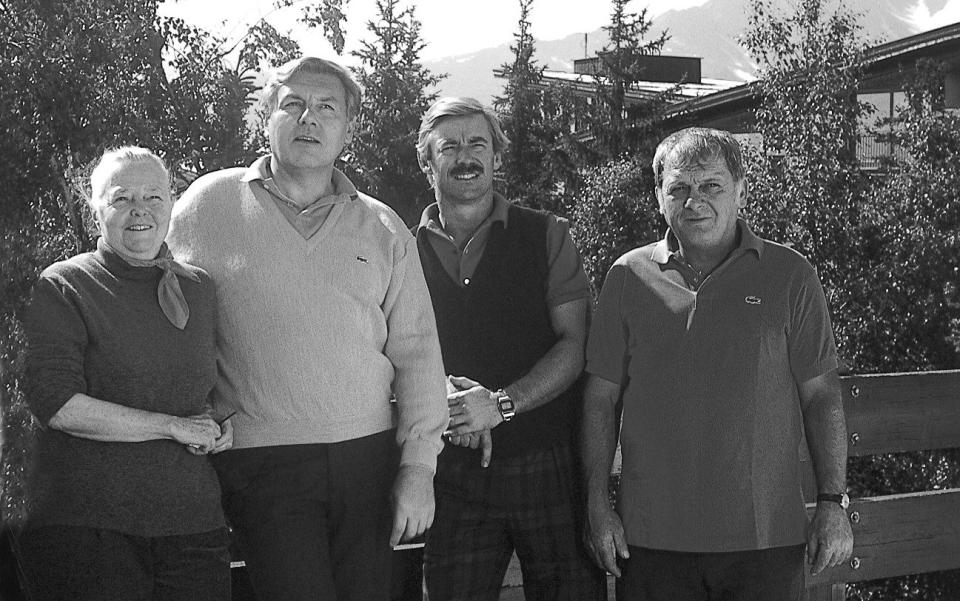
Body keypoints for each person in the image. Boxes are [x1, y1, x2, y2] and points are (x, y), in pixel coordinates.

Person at [166, 56, 448, 601]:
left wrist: (418, 467)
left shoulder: (383, 225)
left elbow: (417, 354)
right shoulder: (205, 206)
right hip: (258, 461)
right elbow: (165, 315)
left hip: (368, 460)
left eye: (326, 108)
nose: (308, 119)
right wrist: (187, 410)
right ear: (267, 116)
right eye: (292, 104)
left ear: (346, 129)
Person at [581, 127, 854, 600]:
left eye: (711, 186)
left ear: (741, 191)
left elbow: (822, 396)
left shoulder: (791, 275)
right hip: (649, 539)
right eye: (679, 188)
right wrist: (596, 504)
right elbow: (600, 400)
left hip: (765, 538)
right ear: (658, 196)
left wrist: (833, 502)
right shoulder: (627, 277)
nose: (694, 201)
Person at [19, 146, 233, 601]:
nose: (140, 210)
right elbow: (57, 406)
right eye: (122, 198)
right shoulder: (62, 286)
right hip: (89, 528)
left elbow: (201, 392)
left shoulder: (199, 288)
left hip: (192, 524)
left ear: (172, 202)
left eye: (153, 197)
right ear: (95, 209)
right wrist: (170, 427)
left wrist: (219, 425)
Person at [415, 97, 607, 601]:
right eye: (449, 146)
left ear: (497, 156)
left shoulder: (547, 235)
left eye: (478, 143)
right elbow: (390, 350)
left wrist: (499, 406)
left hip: (546, 462)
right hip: (449, 470)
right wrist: (447, 404)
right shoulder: (403, 252)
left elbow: (575, 345)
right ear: (426, 161)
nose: (466, 156)